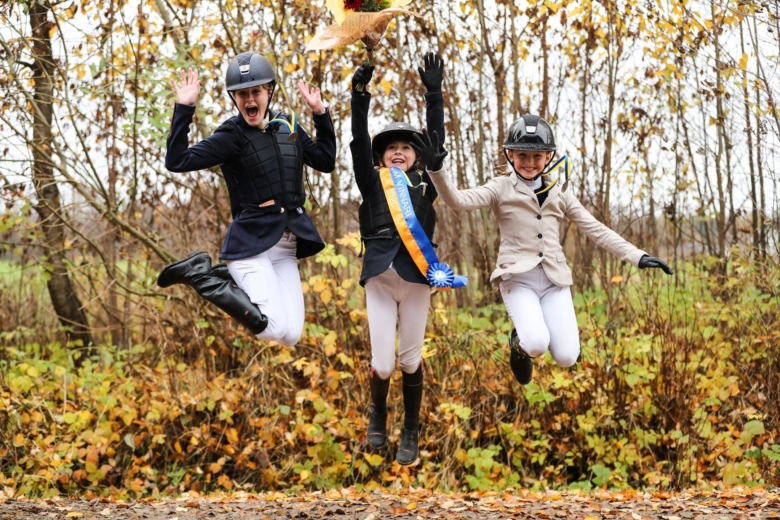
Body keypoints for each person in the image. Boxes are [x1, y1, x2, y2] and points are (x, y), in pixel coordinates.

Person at [411, 114, 673, 385]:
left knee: (568, 357)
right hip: (518, 279)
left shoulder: (559, 191)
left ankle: (546, 339)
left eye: (537, 156)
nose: (529, 162)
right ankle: (519, 344)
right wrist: (436, 169)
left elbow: (595, 229)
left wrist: (637, 255)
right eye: (522, 155)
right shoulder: (500, 187)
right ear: (510, 154)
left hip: (554, 281)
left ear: (549, 157)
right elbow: (457, 201)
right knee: (536, 342)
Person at [156, 52, 337, 346]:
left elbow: (326, 161)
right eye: (241, 94)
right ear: (234, 98)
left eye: (255, 91)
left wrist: (320, 114)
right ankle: (201, 276)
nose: (249, 99)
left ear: (270, 92)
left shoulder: (288, 126)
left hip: (285, 245)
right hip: (250, 246)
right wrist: (184, 108)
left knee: (291, 336)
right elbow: (177, 160)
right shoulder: (232, 136)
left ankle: (221, 276)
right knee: (274, 329)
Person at [350, 53, 447, 465]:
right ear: (380, 157)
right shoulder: (371, 181)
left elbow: (437, 146)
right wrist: (359, 96)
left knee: (409, 360)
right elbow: (358, 140)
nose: (398, 152)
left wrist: (433, 94)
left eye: (406, 148)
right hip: (380, 281)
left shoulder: (427, 183)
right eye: (391, 147)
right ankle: (377, 413)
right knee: (383, 364)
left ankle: (410, 428)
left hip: (416, 283)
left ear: (416, 157)